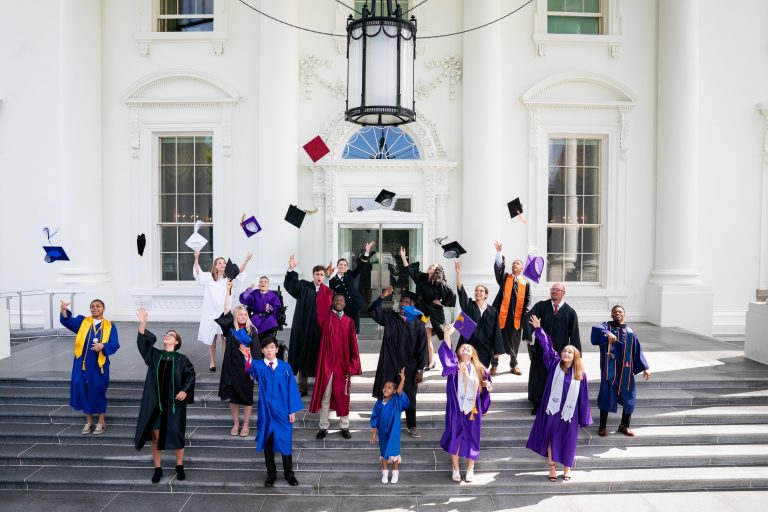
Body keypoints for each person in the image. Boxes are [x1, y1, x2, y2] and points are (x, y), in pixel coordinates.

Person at [525, 315, 592, 482]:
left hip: (569, 414)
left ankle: (567, 468)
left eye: (570, 351)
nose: (566, 353)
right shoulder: (555, 364)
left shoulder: (580, 375)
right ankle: (552, 468)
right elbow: (547, 348)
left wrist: (583, 418)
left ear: (575, 356)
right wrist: (539, 330)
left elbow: (583, 398)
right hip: (552, 411)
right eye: (564, 350)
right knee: (551, 438)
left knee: (568, 441)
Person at [134, 308, 196, 484]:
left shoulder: (182, 359)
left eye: (171, 335)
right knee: (156, 436)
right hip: (157, 404)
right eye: (166, 334)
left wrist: (185, 389)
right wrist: (143, 323)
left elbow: (190, 375)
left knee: (177, 435)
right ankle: (158, 468)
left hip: (174, 403)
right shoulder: (155, 356)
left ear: (176, 342)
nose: (167, 336)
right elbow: (143, 345)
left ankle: (179, 465)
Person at [240, 337, 303, 487]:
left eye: (272, 347)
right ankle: (271, 474)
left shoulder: (285, 367)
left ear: (277, 349)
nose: (269, 350)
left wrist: (292, 410)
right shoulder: (260, 366)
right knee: (268, 443)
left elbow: (291, 390)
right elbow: (250, 367)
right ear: (262, 350)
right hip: (266, 412)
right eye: (266, 348)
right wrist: (247, 356)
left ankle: (289, 474)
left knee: (285, 442)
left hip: (283, 411)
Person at [369, 285, 428, 438]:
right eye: (402, 302)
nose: (404, 304)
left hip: (409, 368)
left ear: (412, 306)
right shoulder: (390, 318)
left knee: (409, 397)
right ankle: (386, 424)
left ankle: (411, 424)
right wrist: (382, 297)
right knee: (387, 396)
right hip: (390, 365)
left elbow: (422, 349)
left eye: (407, 302)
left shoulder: (418, 324)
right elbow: (372, 311)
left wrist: (420, 370)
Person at [438, 324, 492, 483]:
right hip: (456, 409)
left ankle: (470, 468)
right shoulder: (454, 365)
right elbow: (446, 353)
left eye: (469, 348)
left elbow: (487, 385)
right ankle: (455, 468)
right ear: (458, 353)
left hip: (472, 410)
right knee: (455, 437)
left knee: (473, 438)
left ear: (473, 353)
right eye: (463, 347)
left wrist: (487, 387)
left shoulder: (480, 368)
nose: (466, 349)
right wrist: (447, 334)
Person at [60, 299, 120, 436]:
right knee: (83, 389)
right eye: (92, 306)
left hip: (99, 364)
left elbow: (115, 344)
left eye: (98, 306)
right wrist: (63, 310)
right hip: (82, 363)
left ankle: (101, 421)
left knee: (98, 390)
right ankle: (89, 422)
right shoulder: (83, 322)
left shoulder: (110, 326)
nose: (94, 308)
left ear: (103, 308)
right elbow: (68, 321)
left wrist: (103, 346)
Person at [591, 305, 652, 437]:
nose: (617, 313)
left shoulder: (630, 332)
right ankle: (602, 427)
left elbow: (637, 351)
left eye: (620, 311)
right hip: (609, 371)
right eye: (615, 312)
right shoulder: (606, 326)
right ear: (611, 314)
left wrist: (645, 367)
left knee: (629, 398)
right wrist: (607, 333)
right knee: (606, 397)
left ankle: (624, 426)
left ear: (624, 314)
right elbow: (596, 330)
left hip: (626, 371)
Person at [524, 283, 581, 415]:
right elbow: (529, 319)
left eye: (557, 290)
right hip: (542, 349)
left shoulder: (570, 312)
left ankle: (554, 401)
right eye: (552, 289)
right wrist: (528, 335)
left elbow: (575, 335)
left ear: (563, 292)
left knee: (557, 376)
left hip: (560, 352)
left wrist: (576, 357)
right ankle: (538, 403)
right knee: (539, 375)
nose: (554, 292)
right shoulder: (541, 306)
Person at [310, 293, 362, 440]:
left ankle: (344, 426)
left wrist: (352, 366)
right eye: (336, 300)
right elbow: (321, 305)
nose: (338, 302)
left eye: (341, 301)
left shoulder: (349, 322)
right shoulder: (326, 320)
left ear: (345, 304)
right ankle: (323, 426)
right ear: (332, 303)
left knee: (343, 395)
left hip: (343, 365)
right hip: (328, 364)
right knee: (325, 396)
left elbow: (353, 346)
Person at [193, 250, 252, 372]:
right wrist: (196, 258)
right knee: (212, 337)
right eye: (220, 263)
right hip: (210, 311)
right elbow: (198, 273)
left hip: (224, 311)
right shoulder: (208, 278)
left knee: (225, 337)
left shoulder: (229, 278)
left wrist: (246, 260)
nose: (222, 265)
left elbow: (239, 273)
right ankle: (212, 361)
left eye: (224, 263)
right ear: (215, 265)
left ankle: (226, 361)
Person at [400, 246, 456, 370]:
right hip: (424, 313)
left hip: (436, 313)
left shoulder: (441, 284)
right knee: (426, 337)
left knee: (445, 335)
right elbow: (410, 270)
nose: (430, 266)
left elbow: (451, 295)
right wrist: (403, 257)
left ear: (437, 270)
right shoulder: (422, 278)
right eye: (430, 265)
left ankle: (452, 359)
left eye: (433, 266)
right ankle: (431, 361)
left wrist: (441, 303)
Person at [284, 254, 333, 396]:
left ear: (324, 276)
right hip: (303, 328)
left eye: (322, 274)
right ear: (313, 275)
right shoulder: (304, 286)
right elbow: (291, 285)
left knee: (319, 357)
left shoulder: (327, 292)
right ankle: (303, 386)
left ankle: (320, 386)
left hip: (319, 330)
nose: (319, 277)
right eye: (317, 274)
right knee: (303, 355)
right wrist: (291, 269)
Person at [216, 281, 259, 437]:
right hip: (232, 368)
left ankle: (246, 425)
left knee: (247, 398)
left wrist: (253, 370)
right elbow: (225, 310)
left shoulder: (252, 331)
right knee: (233, 398)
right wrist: (228, 292)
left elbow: (256, 351)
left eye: (245, 314)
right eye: (240, 314)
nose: (243, 316)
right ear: (235, 316)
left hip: (246, 369)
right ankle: (236, 424)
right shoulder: (231, 330)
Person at [491, 240, 531, 376]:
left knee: (514, 342)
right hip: (501, 316)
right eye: (513, 263)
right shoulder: (505, 278)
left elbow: (528, 301)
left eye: (518, 263)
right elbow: (498, 270)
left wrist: (525, 319)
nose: (515, 264)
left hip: (516, 317)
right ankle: (494, 365)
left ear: (522, 267)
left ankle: (514, 364)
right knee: (497, 339)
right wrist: (499, 252)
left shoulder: (525, 283)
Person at [454, 260, 504, 368]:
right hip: (469, 346)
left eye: (481, 291)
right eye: (476, 291)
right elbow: (461, 292)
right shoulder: (469, 306)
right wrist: (458, 273)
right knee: (468, 371)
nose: (478, 292)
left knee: (481, 373)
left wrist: (497, 351)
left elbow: (496, 331)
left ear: (486, 295)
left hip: (485, 348)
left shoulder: (492, 311)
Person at [370, 367, 409, 484]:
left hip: (394, 431)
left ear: (394, 390)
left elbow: (400, 391)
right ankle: (385, 471)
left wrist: (402, 379)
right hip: (382, 431)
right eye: (385, 387)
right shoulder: (379, 404)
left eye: (389, 387)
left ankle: (395, 472)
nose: (386, 389)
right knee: (383, 452)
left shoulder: (396, 401)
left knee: (394, 451)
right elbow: (376, 419)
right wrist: (374, 433)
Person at [329, 240, 375, 333]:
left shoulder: (350, 274)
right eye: (341, 264)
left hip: (354, 306)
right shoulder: (332, 281)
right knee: (343, 330)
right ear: (337, 266)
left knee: (354, 331)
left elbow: (361, 266)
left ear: (347, 267)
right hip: (342, 308)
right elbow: (330, 295)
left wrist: (366, 252)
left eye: (345, 265)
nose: (343, 266)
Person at [239, 275, 283, 340]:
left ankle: (263, 340)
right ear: (259, 284)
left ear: (268, 285)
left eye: (265, 282)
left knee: (270, 324)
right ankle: (253, 341)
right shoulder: (254, 292)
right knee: (249, 327)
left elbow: (278, 308)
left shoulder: (273, 296)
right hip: (257, 316)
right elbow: (245, 298)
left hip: (268, 317)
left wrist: (270, 308)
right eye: (261, 282)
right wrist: (250, 289)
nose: (263, 283)